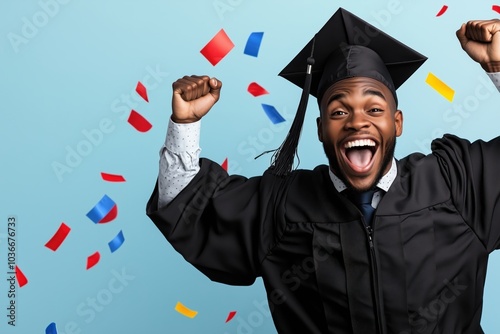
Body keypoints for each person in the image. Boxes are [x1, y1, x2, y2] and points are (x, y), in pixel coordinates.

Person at [146, 7, 500, 334]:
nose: (357, 121)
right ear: (319, 129)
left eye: (374, 109)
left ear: (398, 122)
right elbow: (186, 206)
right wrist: (184, 124)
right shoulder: (280, 206)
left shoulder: (455, 182)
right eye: (339, 112)